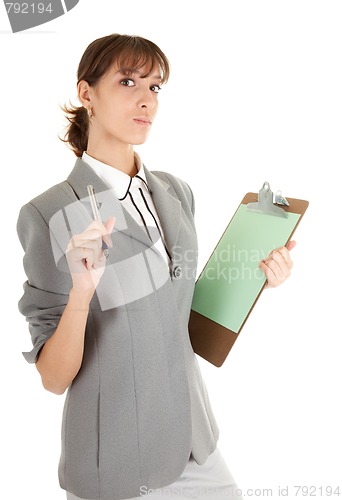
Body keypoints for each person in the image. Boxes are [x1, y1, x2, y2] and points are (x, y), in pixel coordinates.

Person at [17, 34, 295, 500]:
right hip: (118, 463)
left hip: (194, 440)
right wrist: (82, 293)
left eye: (155, 87)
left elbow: (183, 313)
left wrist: (257, 278)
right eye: (128, 82)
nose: (147, 100)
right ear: (86, 94)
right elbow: (53, 377)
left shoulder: (175, 191)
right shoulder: (50, 212)